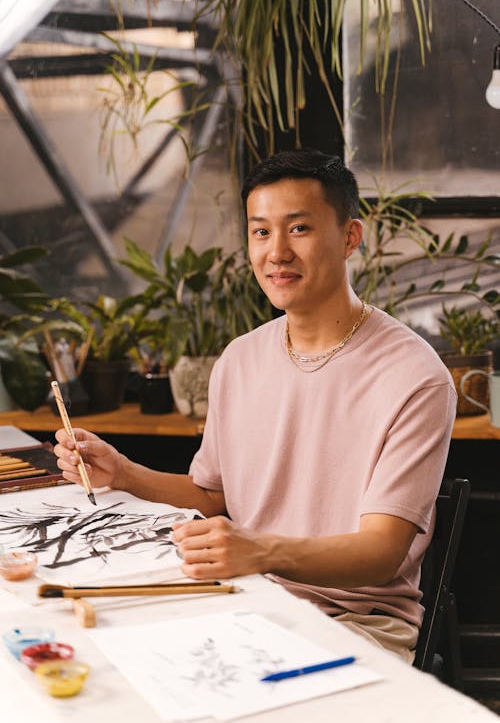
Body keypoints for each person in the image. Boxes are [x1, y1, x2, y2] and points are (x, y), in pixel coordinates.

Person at [54, 149, 456, 663]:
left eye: (300, 229)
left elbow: (381, 554)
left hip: (354, 621)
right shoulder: (240, 359)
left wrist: (260, 551)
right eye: (261, 232)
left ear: (350, 237)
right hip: (241, 597)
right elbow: (213, 496)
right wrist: (125, 472)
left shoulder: (414, 376)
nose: (277, 252)